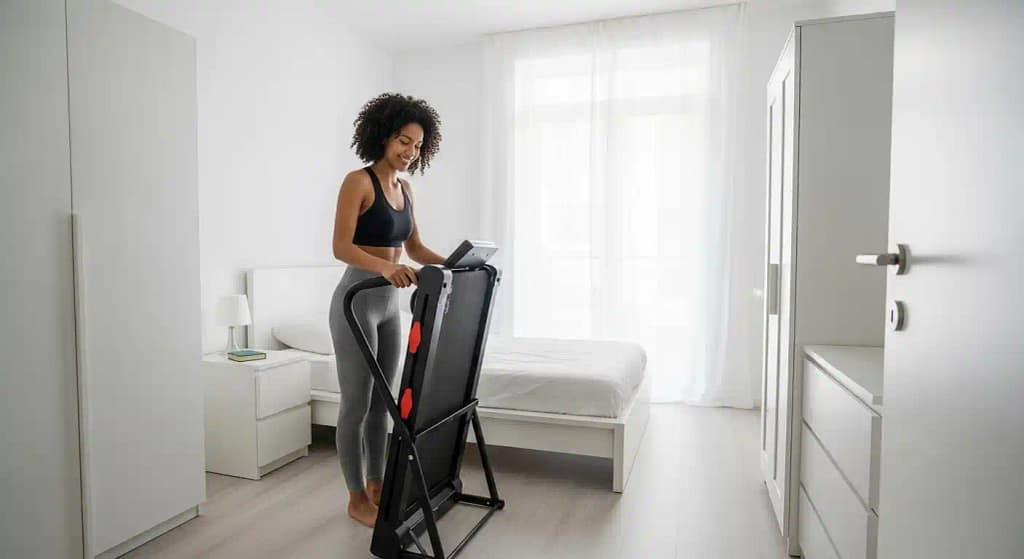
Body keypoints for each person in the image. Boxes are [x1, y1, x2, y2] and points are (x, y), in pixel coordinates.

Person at [329, 93, 446, 527]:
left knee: (385, 404)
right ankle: (355, 496)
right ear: (382, 136)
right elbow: (341, 247)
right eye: (403, 141)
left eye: (416, 146)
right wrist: (387, 267)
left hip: (389, 308)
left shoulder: (406, 189)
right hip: (357, 302)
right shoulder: (358, 182)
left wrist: (454, 262)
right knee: (355, 406)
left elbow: (413, 248)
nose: (409, 152)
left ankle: (378, 486)